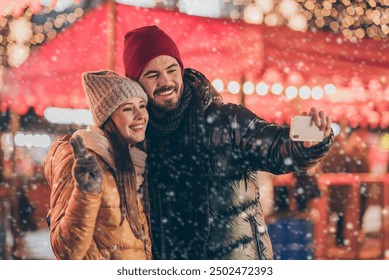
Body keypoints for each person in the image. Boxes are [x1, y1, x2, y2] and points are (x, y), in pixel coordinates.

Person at [123, 25, 334, 260]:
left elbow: (277, 147)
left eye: (172, 70)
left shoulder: (225, 121)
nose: (166, 81)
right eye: (153, 75)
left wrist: (307, 144)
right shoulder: (136, 140)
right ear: (135, 83)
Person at [44, 70, 152, 259]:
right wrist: (86, 193)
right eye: (127, 108)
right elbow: (65, 250)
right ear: (107, 118)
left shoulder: (132, 162)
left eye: (142, 106)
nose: (140, 115)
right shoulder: (81, 162)